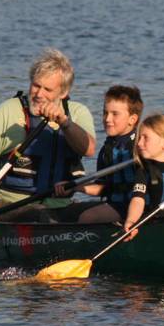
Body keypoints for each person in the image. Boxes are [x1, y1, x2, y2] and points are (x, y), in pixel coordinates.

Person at [0, 48, 96, 222]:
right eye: (36, 85)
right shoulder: (9, 110)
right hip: (8, 206)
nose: (39, 94)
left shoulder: (77, 112)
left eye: (48, 89)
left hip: (60, 206)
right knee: (41, 215)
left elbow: (89, 149)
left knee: (103, 211)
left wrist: (65, 122)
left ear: (63, 93)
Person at [56, 85, 143, 224]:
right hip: (117, 205)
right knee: (70, 214)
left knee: (88, 217)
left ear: (132, 119)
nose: (107, 119)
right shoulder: (107, 150)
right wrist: (74, 187)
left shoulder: (142, 145)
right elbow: (102, 188)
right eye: (105, 112)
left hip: (139, 206)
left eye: (115, 114)